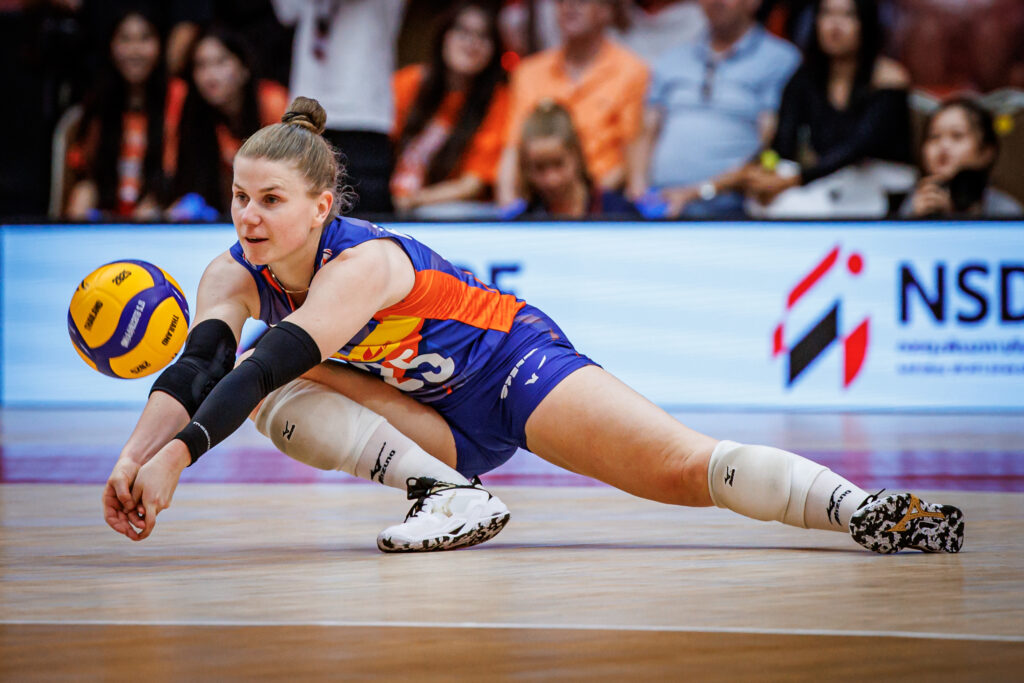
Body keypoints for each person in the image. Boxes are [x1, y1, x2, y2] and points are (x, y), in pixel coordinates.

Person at [104, 96, 965, 557]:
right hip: (428, 421)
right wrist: (135, 457)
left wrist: (180, 459)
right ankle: (448, 493)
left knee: (676, 465)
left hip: (508, 367)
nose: (248, 217)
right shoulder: (231, 269)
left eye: (271, 200)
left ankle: (863, 510)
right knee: (259, 383)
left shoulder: (358, 263)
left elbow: (263, 363)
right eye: (239, 197)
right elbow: (197, 368)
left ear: (322, 204)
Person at [626, 0, 801, 219]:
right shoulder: (672, 58)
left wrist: (695, 193)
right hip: (661, 201)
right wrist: (638, 187)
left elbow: (768, 146)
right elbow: (645, 130)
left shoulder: (780, 60)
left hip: (731, 202)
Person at [745, 0, 911, 207]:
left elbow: (859, 146)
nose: (834, 25)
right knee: (765, 201)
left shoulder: (887, 78)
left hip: (881, 186)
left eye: (847, 15)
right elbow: (783, 144)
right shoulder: (805, 78)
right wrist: (767, 172)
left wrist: (796, 180)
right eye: (827, 14)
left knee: (798, 206)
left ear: (866, 23)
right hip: (825, 182)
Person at [495, 0, 649, 210]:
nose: (569, 6)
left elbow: (632, 154)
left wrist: (582, 198)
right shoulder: (528, 72)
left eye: (581, 2)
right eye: (561, 2)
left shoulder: (631, 71)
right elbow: (512, 147)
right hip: (539, 203)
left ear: (605, 11)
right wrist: (508, 205)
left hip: (600, 204)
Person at [270, 0, 406, 214]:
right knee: (305, 214)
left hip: (364, 116)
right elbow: (287, 12)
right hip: (307, 112)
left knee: (367, 222)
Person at [390, 1, 509, 219]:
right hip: (390, 210)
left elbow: (472, 185)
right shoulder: (407, 83)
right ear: (443, 36)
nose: (472, 43)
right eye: (462, 31)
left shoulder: (498, 101)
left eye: (483, 36)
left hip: (450, 216)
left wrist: (412, 201)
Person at [163, 26, 289, 219]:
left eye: (221, 62)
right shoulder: (194, 115)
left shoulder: (274, 103)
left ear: (244, 68)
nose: (210, 75)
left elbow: (295, 174)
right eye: (201, 65)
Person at [64, 8, 166, 220]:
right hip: (106, 215)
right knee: (82, 195)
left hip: (159, 214)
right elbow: (84, 171)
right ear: (111, 46)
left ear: (160, 45)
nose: (134, 50)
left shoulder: (176, 100)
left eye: (144, 38)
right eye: (125, 39)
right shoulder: (97, 104)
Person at [509, 100, 637, 218]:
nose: (552, 179)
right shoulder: (523, 222)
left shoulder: (619, 212)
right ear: (526, 168)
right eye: (540, 168)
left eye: (558, 164)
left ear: (576, 154)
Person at [900, 97, 1023, 218]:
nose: (943, 145)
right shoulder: (913, 205)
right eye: (934, 136)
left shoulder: (1006, 211)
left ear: (986, 151)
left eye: (957, 136)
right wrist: (916, 221)